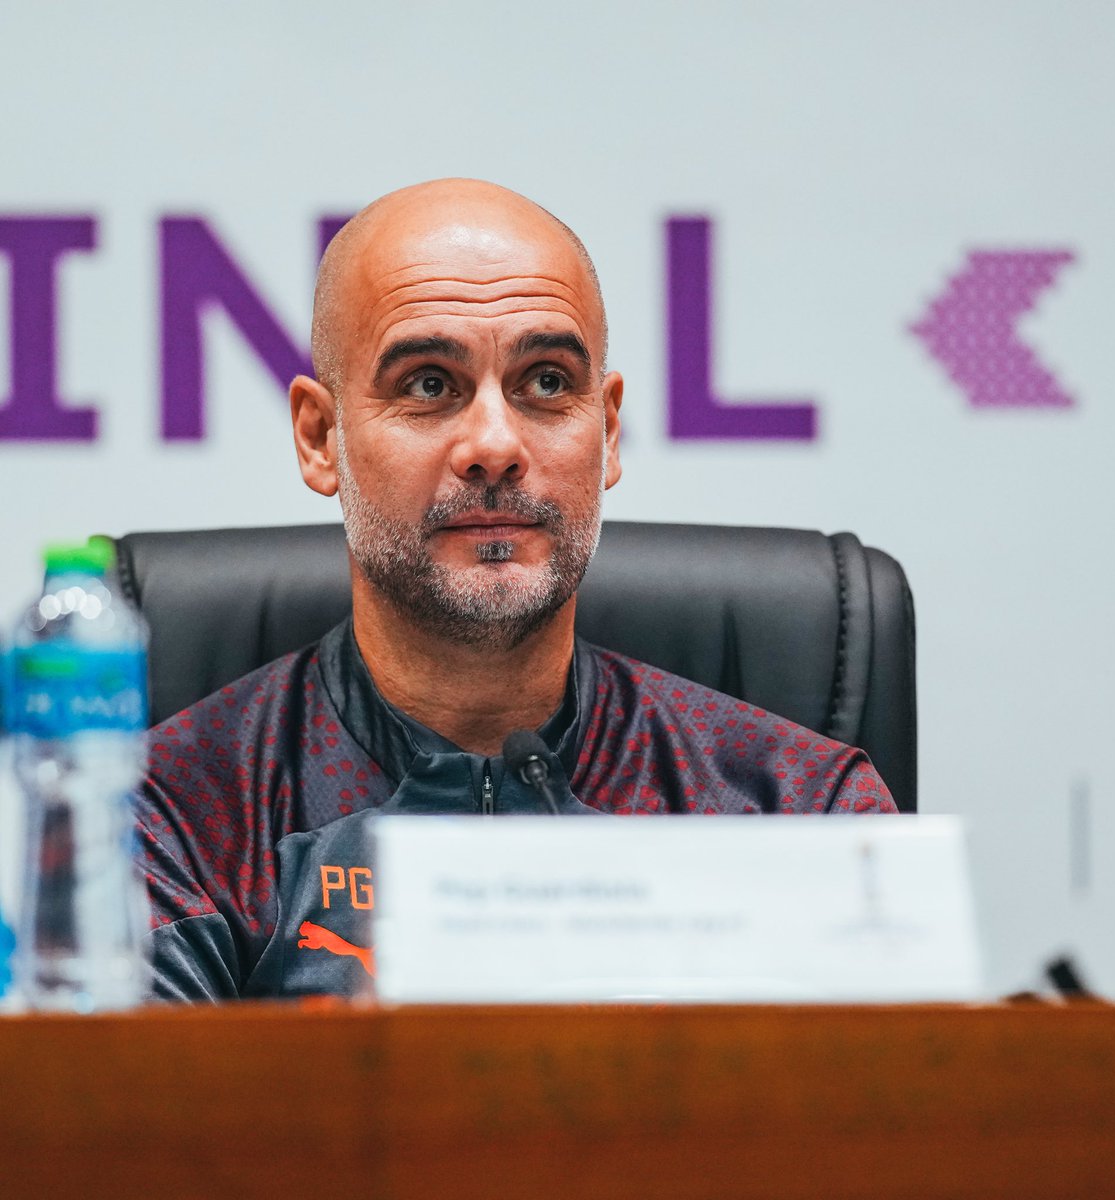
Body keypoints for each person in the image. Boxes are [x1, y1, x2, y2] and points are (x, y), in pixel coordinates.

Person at [136, 179, 897, 1001]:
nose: (494, 445)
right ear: (322, 438)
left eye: (544, 383)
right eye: (429, 384)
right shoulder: (171, 813)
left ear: (606, 431)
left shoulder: (799, 809)